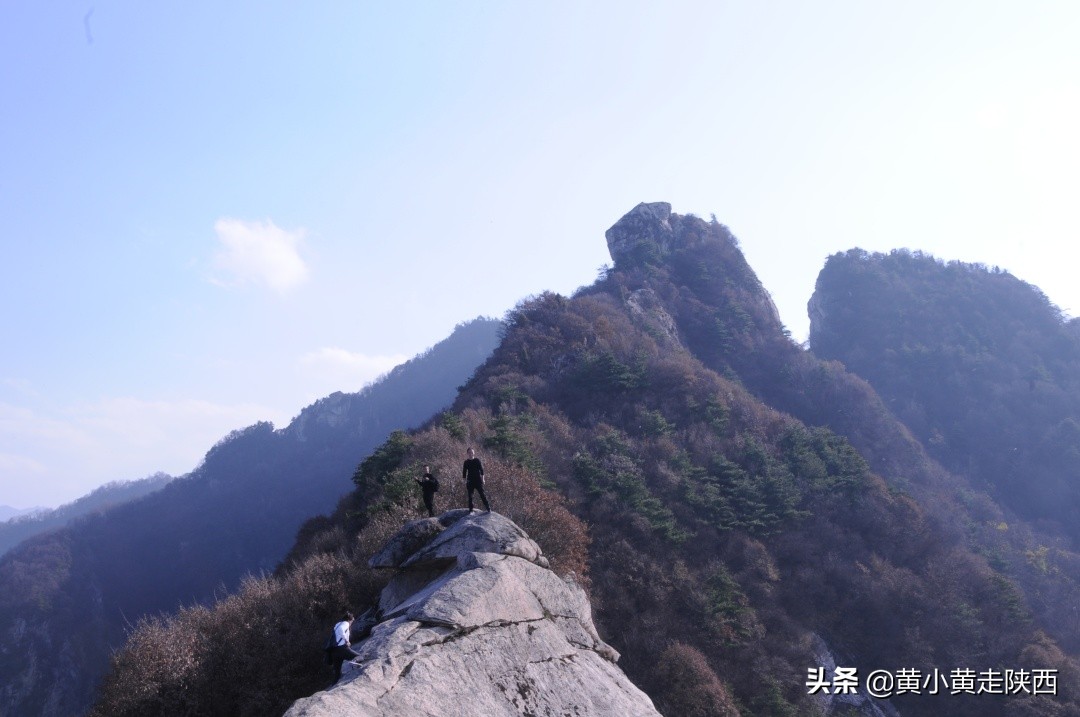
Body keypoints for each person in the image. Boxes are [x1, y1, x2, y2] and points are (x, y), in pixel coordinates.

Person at [330, 611, 361, 684]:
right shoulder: (346, 623)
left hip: (334, 651)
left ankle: (331, 688)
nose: (352, 622)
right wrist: (346, 641)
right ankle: (354, 662)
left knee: (337, 673)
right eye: (352, 620)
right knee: (359, 656)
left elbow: (337, 632)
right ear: (350, 619)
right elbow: (341, 630)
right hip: (343, 649)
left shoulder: (337, 624)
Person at [462, 447, 491, 512]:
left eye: (472, 452)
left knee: (482, 494)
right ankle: (471, 509)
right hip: (470, 481)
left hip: (478, 480)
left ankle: (488, 507)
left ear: (474, 453)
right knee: (470, 496)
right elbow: (464, 472)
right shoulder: (466, 462)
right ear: (467, 453)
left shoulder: (477, 460)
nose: (470, 454)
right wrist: (464, 481)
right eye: (469, 452)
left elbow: (481, 470)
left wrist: (483, 479)